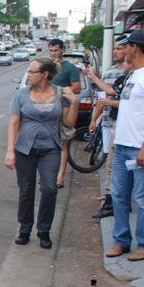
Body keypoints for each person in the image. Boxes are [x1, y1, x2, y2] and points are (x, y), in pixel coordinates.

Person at [105, 29, 144, 262]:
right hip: (122, 145)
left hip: (141, 147)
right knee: (119, 195)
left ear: (135, 48)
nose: (123, 51)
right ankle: (121, 240)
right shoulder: (134, 74)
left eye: (126, 46)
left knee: (143, 197)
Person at [5, 58, 78, 249]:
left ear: (44, 75)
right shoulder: (21, 95)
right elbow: (13, 124)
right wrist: (10, 151)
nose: (28, 75)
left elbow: (69, 123)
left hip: (51, 149)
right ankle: (25, 229)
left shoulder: (59, 93)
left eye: (31, 72)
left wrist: (75, 103)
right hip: (25, 149)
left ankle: (44, 230)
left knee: (49, 189)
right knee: (26, 190)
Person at [86, 40, 130, 219]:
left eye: (120, 48)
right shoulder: (115, 74)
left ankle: (114, 201)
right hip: (111, 123)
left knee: (117, 166)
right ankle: (112, 198)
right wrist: (94, 119)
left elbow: (128, 102)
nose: (115, 51)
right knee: (112, 164)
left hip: (127, 129)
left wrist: (111, 102)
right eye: (115, 48)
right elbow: (107, 93)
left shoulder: (139, 75)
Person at [47, 38, 82, 189]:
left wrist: (61, 91)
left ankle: (59, 177)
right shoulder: (47, 67)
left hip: (64, 107)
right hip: (47, 108)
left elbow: (77, 87)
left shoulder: (69, 67)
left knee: (63, 144)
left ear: (62, 50)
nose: (53, 53)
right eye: (51, 50)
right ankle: (49, 176)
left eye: (56, 50)